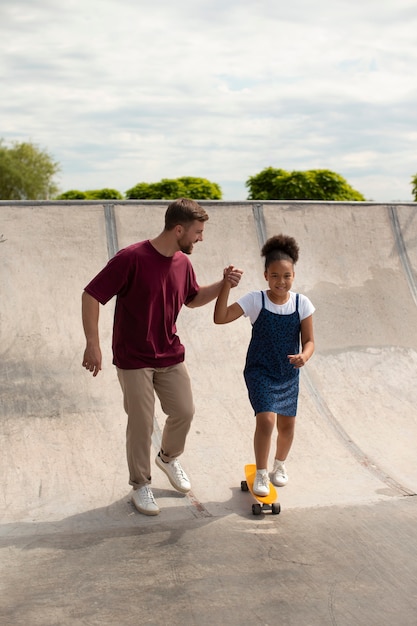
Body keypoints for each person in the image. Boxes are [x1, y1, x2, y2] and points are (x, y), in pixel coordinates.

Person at [82, 198, 243, 516]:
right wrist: (93, 344)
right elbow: (91, 295)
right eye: (198, 232)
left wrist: (223, 283)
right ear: (179, 228)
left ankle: (168, 457)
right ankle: (140, 484)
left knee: (184, 410)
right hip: (134, 357)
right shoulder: (132, 258)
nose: (201, 238)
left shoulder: (183, 263)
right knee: (141, 423)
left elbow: (193, 299)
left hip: (168, 352)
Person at [214, 234, 315, 497]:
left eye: (287, 276)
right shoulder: (256, 300)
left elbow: (310, 341)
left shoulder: (301, 303)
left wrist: (305, 355)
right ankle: (261, 472)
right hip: (260, 371)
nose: (281, 282)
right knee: (267, 420)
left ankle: (279, 466)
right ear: (265, 275)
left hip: (287, 374)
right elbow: (220, 317)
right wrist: (226, 285)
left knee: (287, 426)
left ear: (293, 275)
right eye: (275, 276)